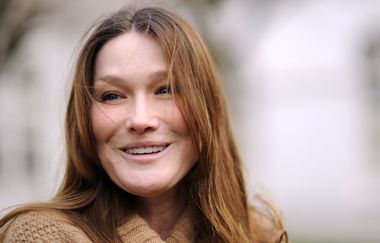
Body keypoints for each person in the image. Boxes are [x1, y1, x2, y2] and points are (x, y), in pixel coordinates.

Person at [0, 5, 288, 243]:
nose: (140, 120)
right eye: (112, 96)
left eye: (165, 89)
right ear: (84, 119)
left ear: (207, 107)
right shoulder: (41, 236)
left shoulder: (256, 233)